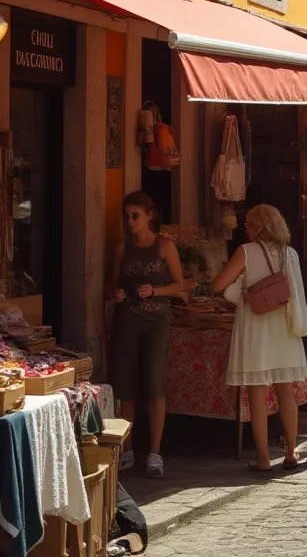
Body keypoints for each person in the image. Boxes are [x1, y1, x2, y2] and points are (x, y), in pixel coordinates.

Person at [212, 204, 307, 472]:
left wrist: (242, 287)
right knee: (285, 390)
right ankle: (291, 452)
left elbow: (218, 285)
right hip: (285, 328)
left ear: (258, 226)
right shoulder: (290, 254)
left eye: (249, 224)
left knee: (256, 391)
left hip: (255, 327)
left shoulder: (245, 252)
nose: (246, 228)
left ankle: (264, 458)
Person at [109, 192, 186, 477]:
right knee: (125, 385)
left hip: (157, 321)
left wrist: (156, 290)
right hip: (126, 320)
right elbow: (112, 283)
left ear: (149, 216)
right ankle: (127, 447)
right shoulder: (122, 248)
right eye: (126, 216)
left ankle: (155, 451)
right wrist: (115, 294)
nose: (130, 221)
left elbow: (179, 284)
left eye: (135, 216)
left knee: (154, 383)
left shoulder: (165, 246)